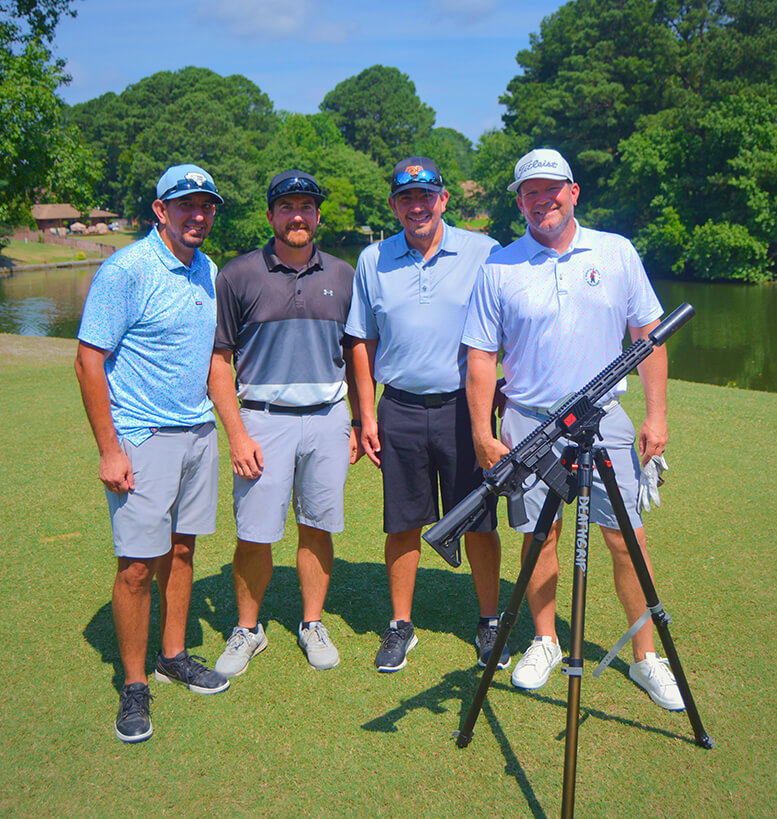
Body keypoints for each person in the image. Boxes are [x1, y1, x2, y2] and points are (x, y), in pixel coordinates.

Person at [462, 148, 685, 710]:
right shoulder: (499, 266)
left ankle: (646, 658)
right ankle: (544, 640)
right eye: (530, 193)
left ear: (574, 191)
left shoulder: (616, 252)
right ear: (519, 202)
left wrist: (656, 416)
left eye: (552, 189)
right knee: (541, 540)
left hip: (605, 421)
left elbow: (648, 338)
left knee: (625, 540)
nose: (543, 200)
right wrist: (482, 434)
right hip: (528, 422)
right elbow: (481, 358)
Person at [75, 163, 230, 744]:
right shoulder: (127, 270)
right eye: (186, 204)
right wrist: (110, 450)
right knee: (138, 565)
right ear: (160, 210)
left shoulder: (205, 270)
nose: (199, 215)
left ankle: (173, 655)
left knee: (183, 550)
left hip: (197, 432)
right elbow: (89, 360)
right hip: (141, 437)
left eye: (207, 205)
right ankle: (135, 684)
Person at [346, 156, 506, 673]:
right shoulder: (374, 259)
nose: (417, 206)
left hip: (466, 410)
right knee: (403, 521)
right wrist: (365, 415)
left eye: (426, 195)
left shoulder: (484, 251)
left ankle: (488, 620)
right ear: (394, 205)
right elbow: (362, 341)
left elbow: (512, 324)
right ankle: (400, 626)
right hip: (400, 408)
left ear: (443, 199)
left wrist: (507, 388)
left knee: (478, 519)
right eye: (405, 198)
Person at [209, 170, 356, 677]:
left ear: (317, 215)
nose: (298, 215)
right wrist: (236, 434)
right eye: (287, 207)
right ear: (270, 215)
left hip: (327, 419)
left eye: (307, 207)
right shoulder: (237, 275)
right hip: (262, 422)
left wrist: (360, 419)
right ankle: (249, 630)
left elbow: (357, 352)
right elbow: (219, 361)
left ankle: (311, 622)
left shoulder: (342, 274)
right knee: (254, 533)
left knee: (317, 527)